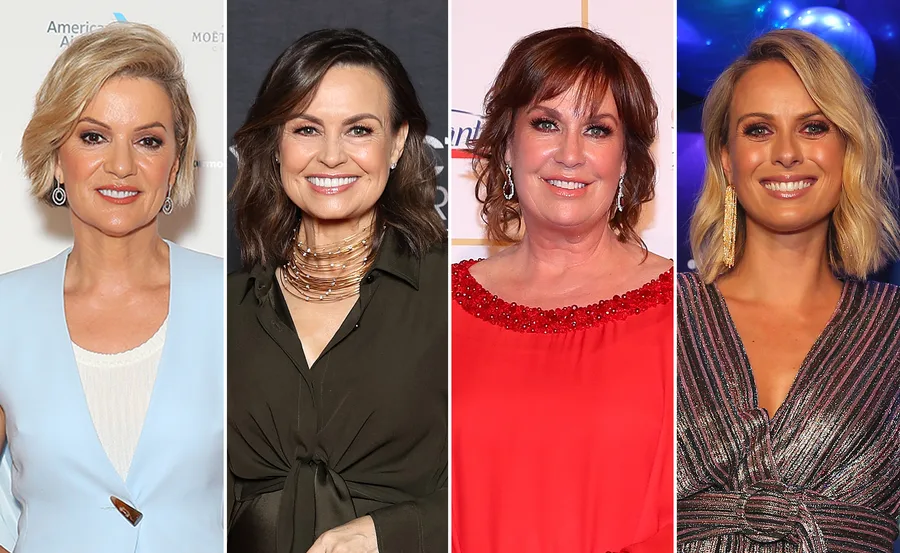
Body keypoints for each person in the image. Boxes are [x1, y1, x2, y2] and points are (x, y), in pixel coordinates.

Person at [0, 22, 223, 553]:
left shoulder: (240, 301)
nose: (122, 166)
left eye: (148, 141)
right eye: (93, 136)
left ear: (174, 166)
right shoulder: (6, 310)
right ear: (57, 156)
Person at [452, 27, 673, 553]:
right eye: (546, 123)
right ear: (507, 146)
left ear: (625, 159)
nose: (570, 154)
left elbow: (711, 509)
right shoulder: (440, 308)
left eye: (597, 130)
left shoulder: (690, 310)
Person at [678, 29, 900, 552]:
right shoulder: (657, 313)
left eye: (814, 127)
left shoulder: (891, 329)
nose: (785, 154)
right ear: (726, 161)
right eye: (758, 130)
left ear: (848, 149)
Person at [227, 28, 447, 553]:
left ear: (396, 143)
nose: (330, 156)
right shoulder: (225, 309)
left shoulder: (452, 297)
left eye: (358, 130)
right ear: (275, 143)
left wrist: (390, 532)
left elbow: (509, 481)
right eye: (306, 129)